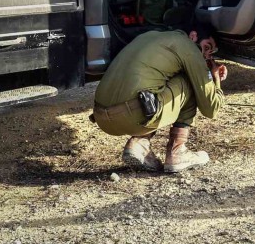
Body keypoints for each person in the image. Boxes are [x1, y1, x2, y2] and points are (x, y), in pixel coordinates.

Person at [92, 27, 227, 173]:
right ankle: (178, 152)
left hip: (102, 118)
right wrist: (215, 78)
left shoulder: (150, 36)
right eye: (207, 47)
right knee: (190, 81)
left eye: (211, 52)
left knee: (154, 83)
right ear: (193, 36)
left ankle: (139, 143)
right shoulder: (189, 49)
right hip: (131, 116)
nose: (207, 55)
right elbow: (211, 109)